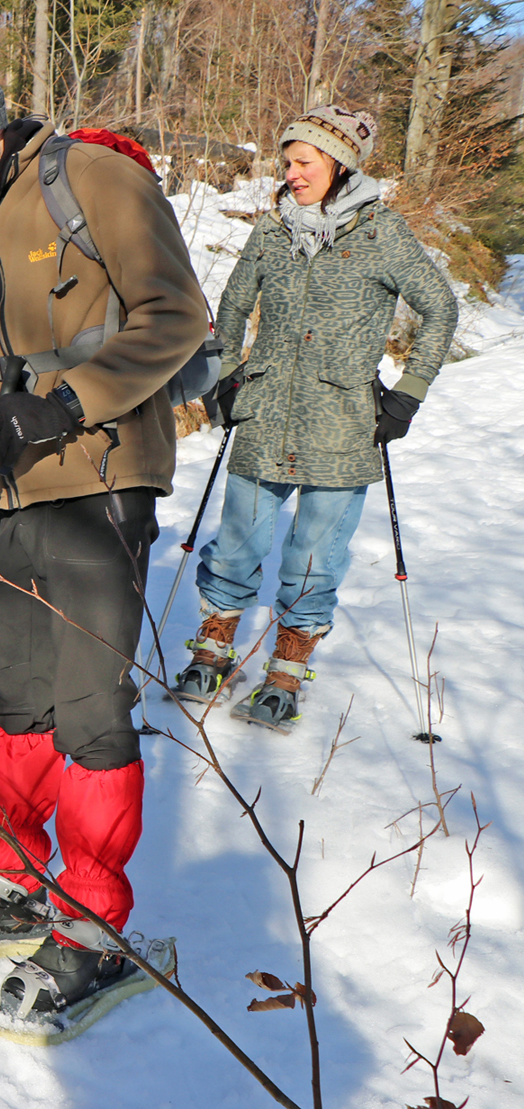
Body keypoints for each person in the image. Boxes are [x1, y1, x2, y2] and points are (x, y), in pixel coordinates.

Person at [0, 54, 209, 1029]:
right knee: (11, 693)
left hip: (103, 478)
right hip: (8, 490)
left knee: (90, 705)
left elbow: (177, 316)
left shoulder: (95, 182)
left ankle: (97, 924)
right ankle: (13, 878)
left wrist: (66, 404)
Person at [172, 105, 456, 730]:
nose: (291, 173)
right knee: (237, 543)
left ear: (338, 162)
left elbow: (441, 311)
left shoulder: (385, 234)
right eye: (288, 161)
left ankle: (286, 671)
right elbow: (234, 300)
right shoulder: (273, 229)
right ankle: (214, 649)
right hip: (265, 409)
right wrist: (225, 376)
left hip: (342, 421)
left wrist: (407, 393)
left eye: (303, 162)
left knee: (313, 557)